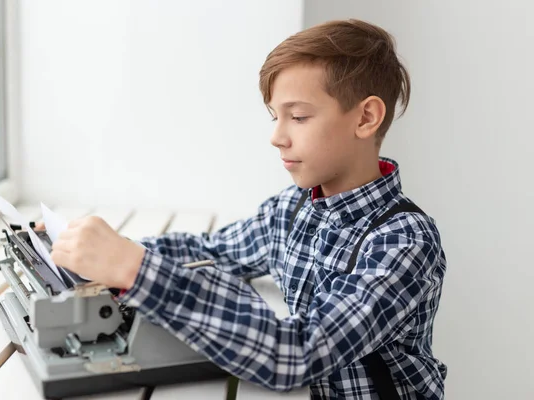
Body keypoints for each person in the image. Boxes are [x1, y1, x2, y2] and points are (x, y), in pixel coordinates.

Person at [48, 19, 447, 399]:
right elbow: (213, 251)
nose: (276, 137)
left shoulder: (403, 240)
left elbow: (297, 353)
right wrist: (104, 251)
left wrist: (134, 269)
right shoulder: (291, 210)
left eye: (299, 116)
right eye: (276, 117)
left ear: (366, 117)